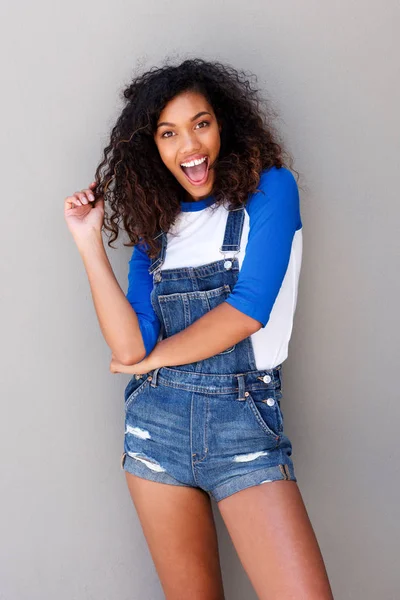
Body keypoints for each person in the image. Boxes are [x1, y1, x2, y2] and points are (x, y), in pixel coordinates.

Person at [64, 58, 333, 599]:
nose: (189, 144)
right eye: (169, 133)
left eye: (201, 123)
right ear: (153, 148)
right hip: (155, 429)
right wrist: (88, 242)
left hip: (244, 421)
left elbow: (247, 312)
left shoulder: (270, 192)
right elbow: (129, 344)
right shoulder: (154, 233)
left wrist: (151, 360)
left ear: (223, 124)